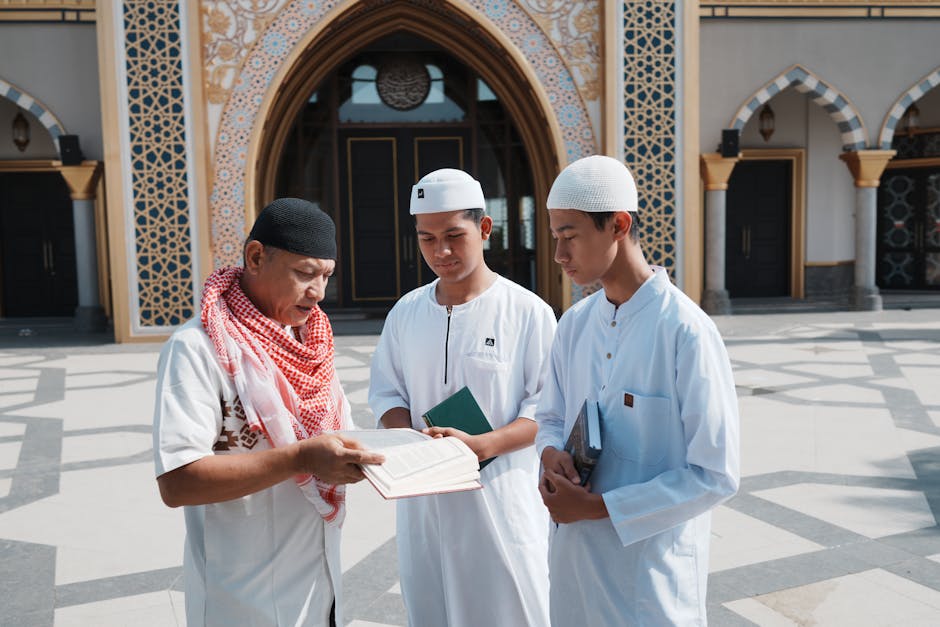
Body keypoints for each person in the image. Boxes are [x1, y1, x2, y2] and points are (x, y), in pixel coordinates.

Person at [152, 198, 384, 627]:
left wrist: (411, 452)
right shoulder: (198, 349)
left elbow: (339, 438)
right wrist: (301, 458)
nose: (318, 292)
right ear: (256, 257)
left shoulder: (311, 347)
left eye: (326, 276)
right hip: (241, 602)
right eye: (305, 273)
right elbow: (177, 482)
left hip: (319, 591)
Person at [536, 155, 740, 625]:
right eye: (555, 238)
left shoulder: (685, 331)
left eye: (570, 237)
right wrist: (550, 455)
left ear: (618, 225)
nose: (559, 255)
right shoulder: (574, 325)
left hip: (650, 578)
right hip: (576, 567)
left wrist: (600, 507)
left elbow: (715, 473)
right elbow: (549, 417)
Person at [368, 169, 556, 626]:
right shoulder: (406, 312)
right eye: (427, 238)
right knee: (431, 608)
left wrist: (482, 446)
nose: (441, 251)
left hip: (500, 503)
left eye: (454, 235)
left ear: (485, 229)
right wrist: (410, 440)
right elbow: (387, 393)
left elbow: (548, 408)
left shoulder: (527, 312)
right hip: (424, 503)